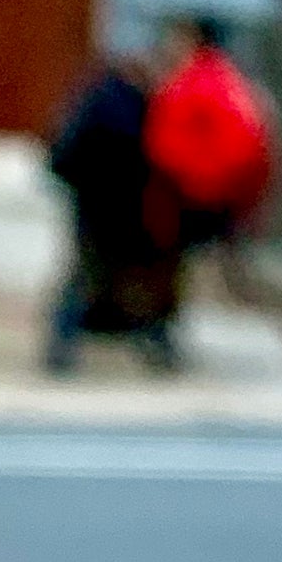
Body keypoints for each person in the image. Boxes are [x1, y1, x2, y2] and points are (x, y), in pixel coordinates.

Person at [42, 47, 182, 376]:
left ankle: (62, 348)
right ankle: (156, 346)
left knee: (86, 277)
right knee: (133, 279)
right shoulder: (131, 104)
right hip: (120, 208)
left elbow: (62, 155)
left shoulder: (94, 98)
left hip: (94, 205)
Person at [142, 15, 282, 316]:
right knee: (229, 273)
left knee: (165, 261)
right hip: (217, 193)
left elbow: (168, 139)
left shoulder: (196, 82)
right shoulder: (225, 78)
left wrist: (192, 178)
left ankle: (156, 328)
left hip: (195, 192)